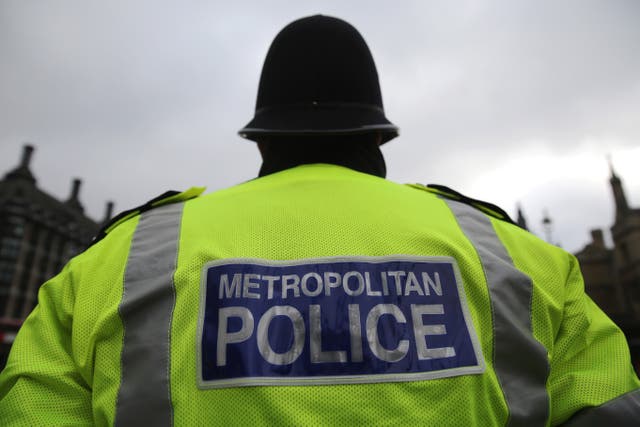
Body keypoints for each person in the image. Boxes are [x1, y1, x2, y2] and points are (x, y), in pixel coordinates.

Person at [0, 14, 638, 426]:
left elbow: (33, 406)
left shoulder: (124, 257)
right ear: (377, 140)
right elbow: (610, 407)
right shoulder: (515, 255)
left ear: (261, 142)